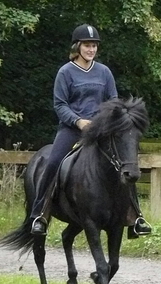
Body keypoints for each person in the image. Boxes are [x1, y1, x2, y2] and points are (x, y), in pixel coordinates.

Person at [28, 24, 152, 238]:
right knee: (53, 162)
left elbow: (113, 101)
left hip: (102, 130)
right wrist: (78, 121)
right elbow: (60, 105)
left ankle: (135, 216)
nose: (91, 49)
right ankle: (39, 213)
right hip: (72, 129)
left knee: (125, 164)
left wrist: (110, 121)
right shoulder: (65, 72)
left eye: (94, 45)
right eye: (87, 45)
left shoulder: (104, 72)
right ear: (78, 47)